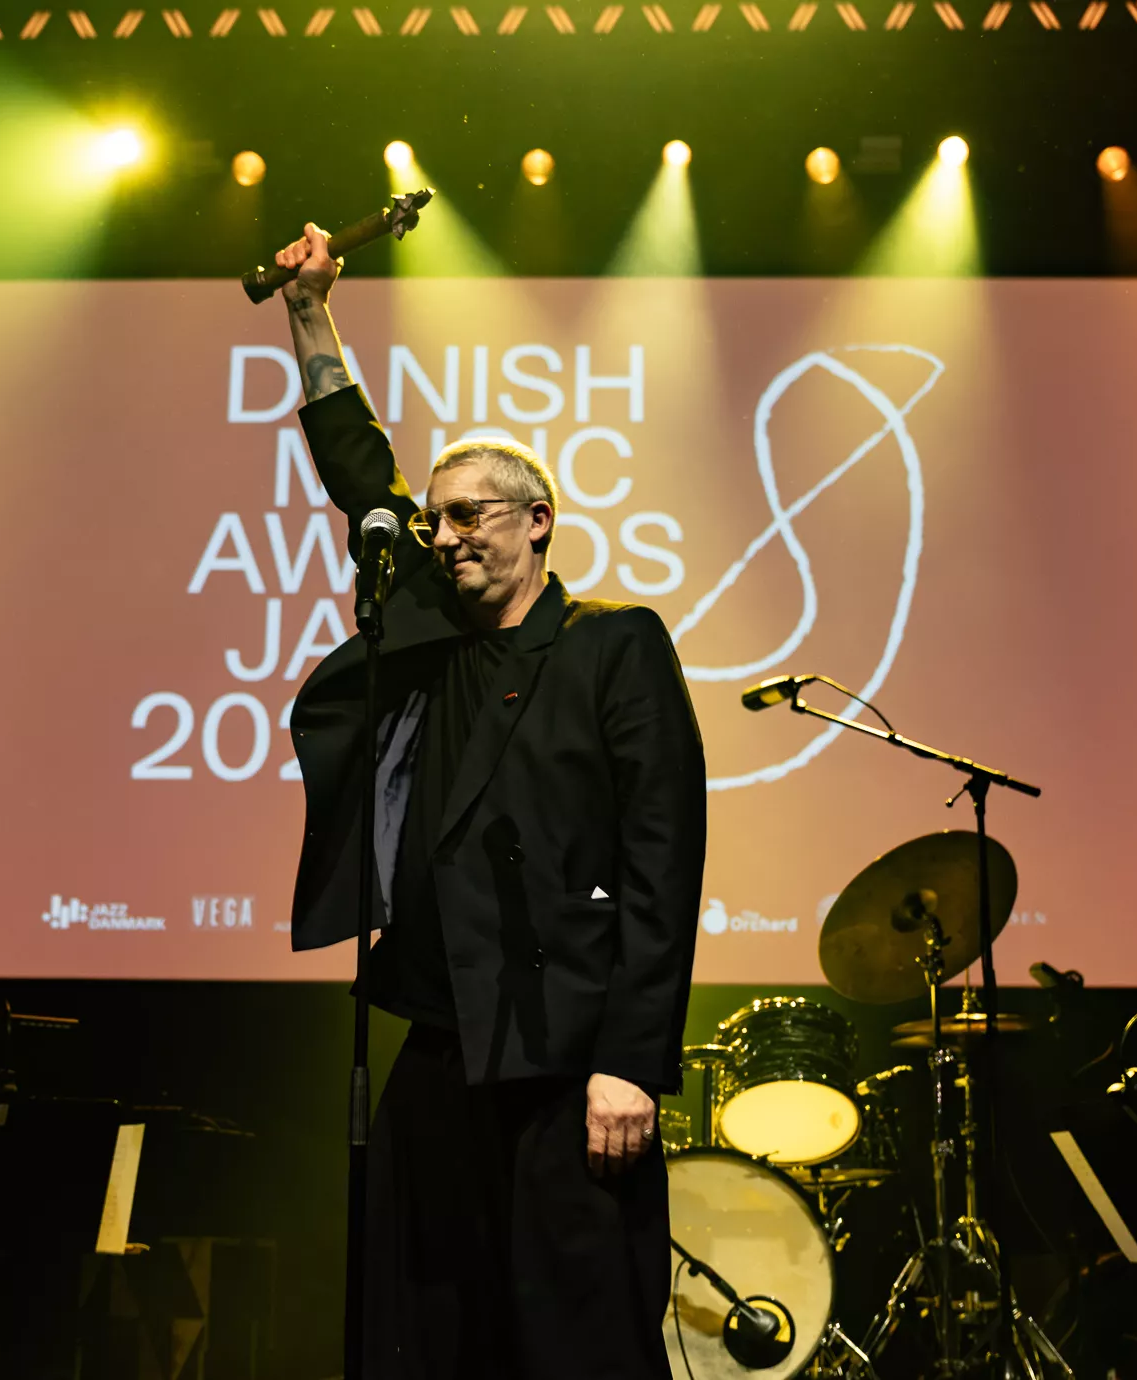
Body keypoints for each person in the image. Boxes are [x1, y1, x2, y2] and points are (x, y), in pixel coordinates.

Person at [272, 221, 709, 1378]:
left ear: (537, 521)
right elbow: (359, 469)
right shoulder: (432, 628)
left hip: (569, 1059)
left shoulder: (614, 644)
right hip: (442, 1041)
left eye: (471, 514)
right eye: (438, 517)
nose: (446, 534)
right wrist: (310, 313)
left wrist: (633, 1060)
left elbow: (665, 864)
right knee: (428, 1337)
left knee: (575, 1339)